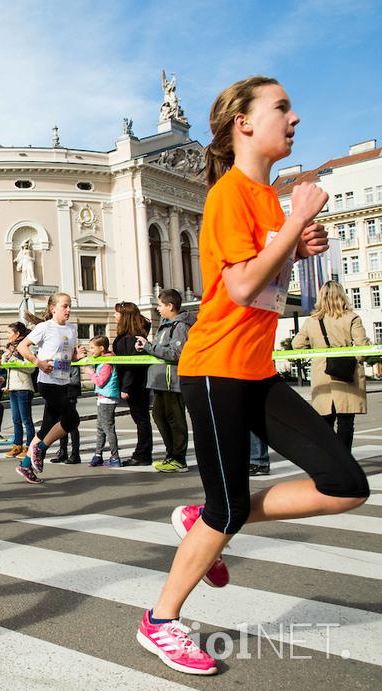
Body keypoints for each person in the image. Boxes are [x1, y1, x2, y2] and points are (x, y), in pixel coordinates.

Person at [137, 76, 369, 676]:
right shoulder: (228, 195)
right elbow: (239, 286)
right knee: (228, 507)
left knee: (344, 483)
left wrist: (298, 242)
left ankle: (207, 515)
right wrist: (297, 226)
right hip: (214, 369)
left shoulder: (270, 201)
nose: (294, 118)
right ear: (243, 123)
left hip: (256, 370)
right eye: (282, 108)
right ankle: (161, 620)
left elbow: (262, 282)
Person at [16, 293, 86, 483]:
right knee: (72, 419)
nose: (68, 310)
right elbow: (22, 347)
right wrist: (38, 362)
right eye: (64, 306)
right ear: (53, 308)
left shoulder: (72, 329)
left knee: (46, 427)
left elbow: (68, 356)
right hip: (47, 382)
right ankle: (41, 449)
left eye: (70, 306)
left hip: (63, 382)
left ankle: (25, 465)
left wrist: (76, 356)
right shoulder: (44, 327)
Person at [291, 280, 369, 451]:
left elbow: (297, 344)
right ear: (342, 296)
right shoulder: (352, 318)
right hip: (347, 374)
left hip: (322, 374)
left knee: (325, 420)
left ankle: (330, 459)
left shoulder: (312, 321)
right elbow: (363, 349)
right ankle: (344, 459)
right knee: (346, 421)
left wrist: (317, 350)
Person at [136, 288, 195, 473]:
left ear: (170, 306)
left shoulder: (181, 326)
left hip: (172, 380)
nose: (158, 309)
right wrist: (146, 347)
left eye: (160, 305)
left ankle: (179, 458)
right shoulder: (165, 324)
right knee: (159, 416)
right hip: (161, 379)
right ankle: (171, 455)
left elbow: (176, 354)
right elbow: (160, 349)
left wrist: (149, 347)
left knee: (174, 419)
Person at [113, 302, 154, 466]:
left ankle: (142, 455)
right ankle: (142, 453)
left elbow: (131, 366)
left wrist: (126, 387)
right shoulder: (133, 334)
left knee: (141, 419)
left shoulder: (131, 338)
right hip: (136, 383)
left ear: (124, 316)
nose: (114, 315)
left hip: (135, 384)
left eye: (117, 313)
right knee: (141, 419)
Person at [82, 336, 122, 467]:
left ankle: (115, 457)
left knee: (108, 428)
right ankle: (98, 455)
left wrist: (90, 372)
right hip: (102, 397)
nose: (90, 350)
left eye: (92, 347)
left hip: (108, 398)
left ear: (101, 348)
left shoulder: (107, 362)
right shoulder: (102, 359)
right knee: (100, 428)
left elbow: (100, 381)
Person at [1, 322, 35, 459]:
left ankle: (30, 446)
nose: (7, 335)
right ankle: (17, 445)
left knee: (26, 419)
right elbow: (5, 364)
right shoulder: (12, 350)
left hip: (24, 388)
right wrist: (7, 356)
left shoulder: (25, 349)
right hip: (13, 388)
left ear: (17, 334)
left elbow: (31, 368)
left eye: (9, 333)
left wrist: (15, 361)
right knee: (16, 419)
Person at [54, 364, 82, 464]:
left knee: (72, 425)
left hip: (70, 395)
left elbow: (75, 380)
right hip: (60, 395)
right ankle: (63, 452)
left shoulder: (73, 362)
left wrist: (62, 380)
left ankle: (75, 454)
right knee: (61, 424)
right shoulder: (60, 361)